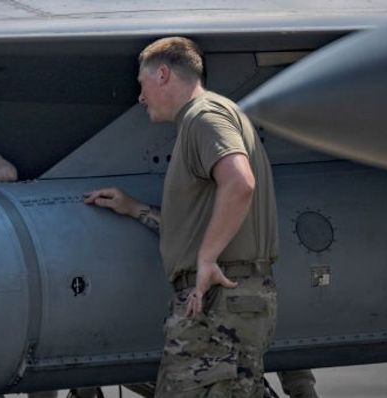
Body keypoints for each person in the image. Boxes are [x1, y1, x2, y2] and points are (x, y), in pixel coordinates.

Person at [84, 36, 279, 397]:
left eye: (141, 85)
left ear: (162, 75)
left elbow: (239, 183)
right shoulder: (212, 115)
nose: (140, 97)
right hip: (225, 303)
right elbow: (203, 219)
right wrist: (136, 209)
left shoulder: (204, 116)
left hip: (216, 304)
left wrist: (206, 260)